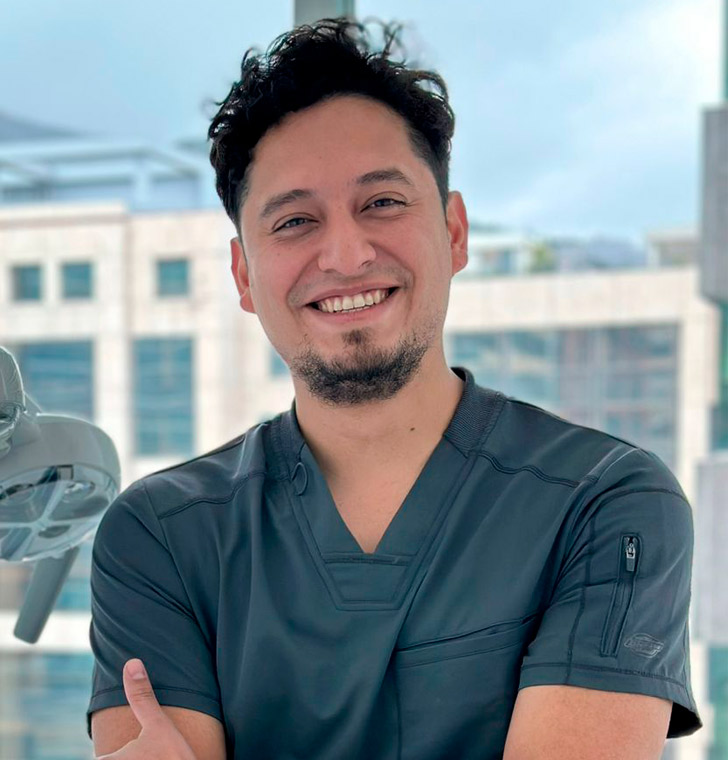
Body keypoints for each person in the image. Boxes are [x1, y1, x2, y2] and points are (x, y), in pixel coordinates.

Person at [87, 18, 702, 760]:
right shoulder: (160, 537)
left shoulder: (606, 504)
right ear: (244, 276)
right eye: (295, 220)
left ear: (454, 232)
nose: (346, 254)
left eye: (381, 203)